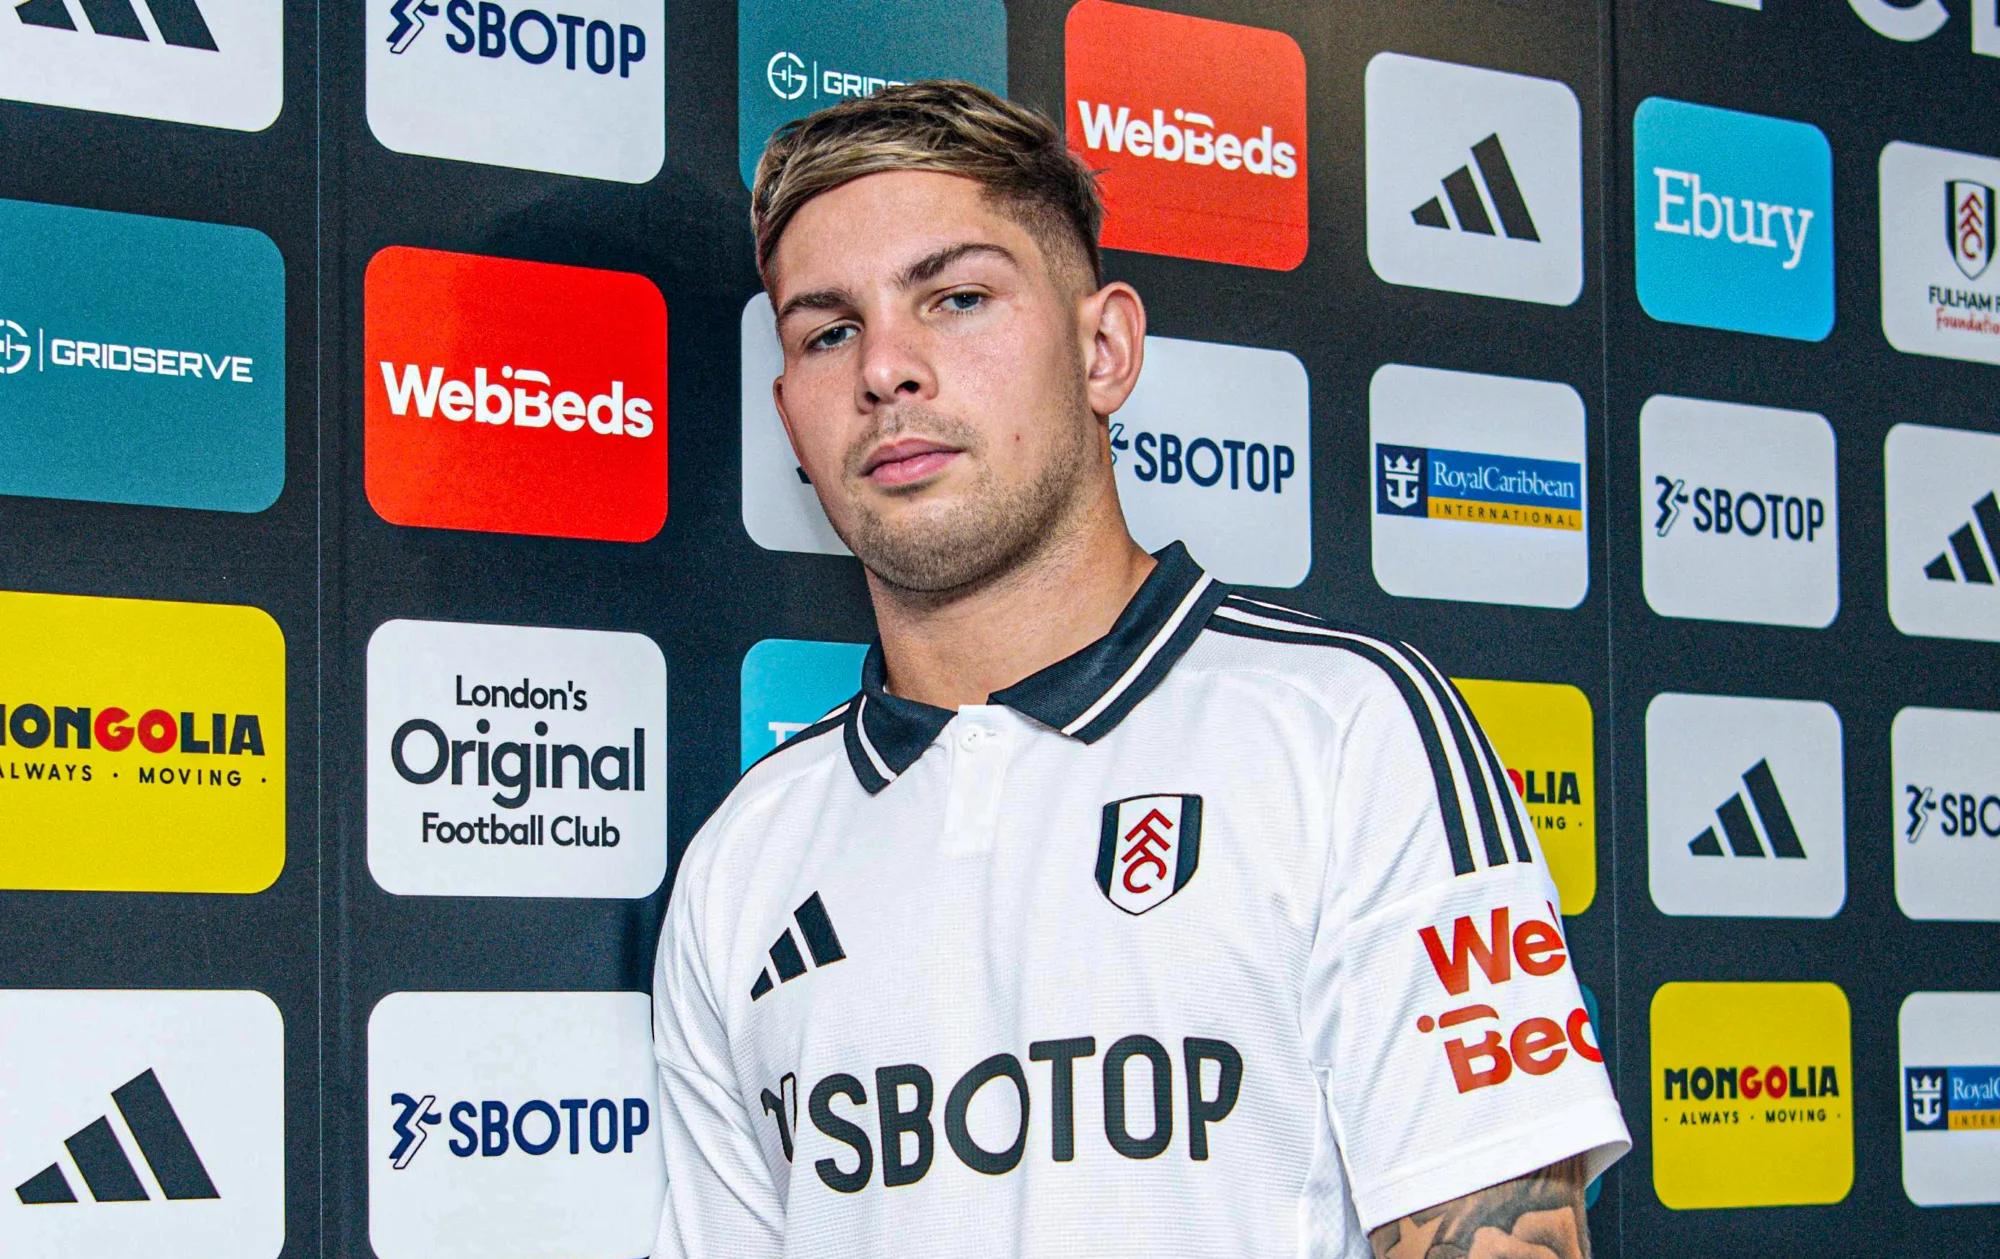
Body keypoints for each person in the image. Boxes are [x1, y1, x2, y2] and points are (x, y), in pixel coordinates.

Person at [652, 81, 1629, 1259]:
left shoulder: (1339, 730)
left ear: (1103, 348)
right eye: (827, 332)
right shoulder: (742, 856)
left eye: (955, 298)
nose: (886, 369)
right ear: (790, 417)